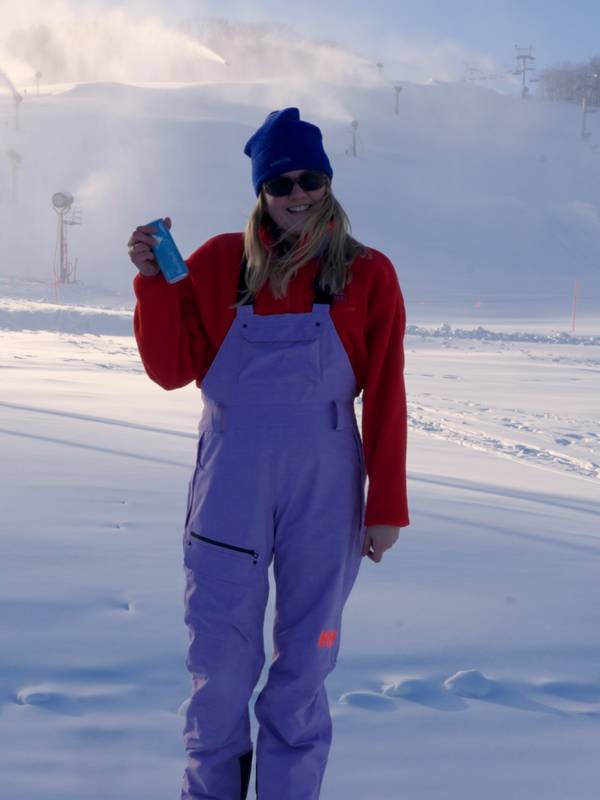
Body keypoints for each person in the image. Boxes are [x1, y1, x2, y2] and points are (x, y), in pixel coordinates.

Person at [128, 107, 409, 800]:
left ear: (329, 182)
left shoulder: (367, 273)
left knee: (305, 666)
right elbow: (170, 369)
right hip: (232, 477)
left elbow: (388, 391)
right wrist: (154, 285)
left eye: (309, 178)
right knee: (220, 662)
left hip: (326, 478)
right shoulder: (219, 262)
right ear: (261, 191)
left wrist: (387, 506)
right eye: (281, 183)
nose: (297, 195)